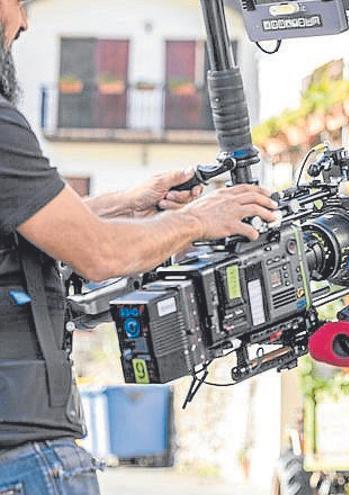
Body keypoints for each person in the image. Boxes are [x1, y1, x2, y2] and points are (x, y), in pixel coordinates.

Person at [0, 1, 278, 493]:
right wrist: (196, 220)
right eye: (18, 3)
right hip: (24, 454)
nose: (25, 21)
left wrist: (130, 202)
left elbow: (27, 221)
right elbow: (100, 254)